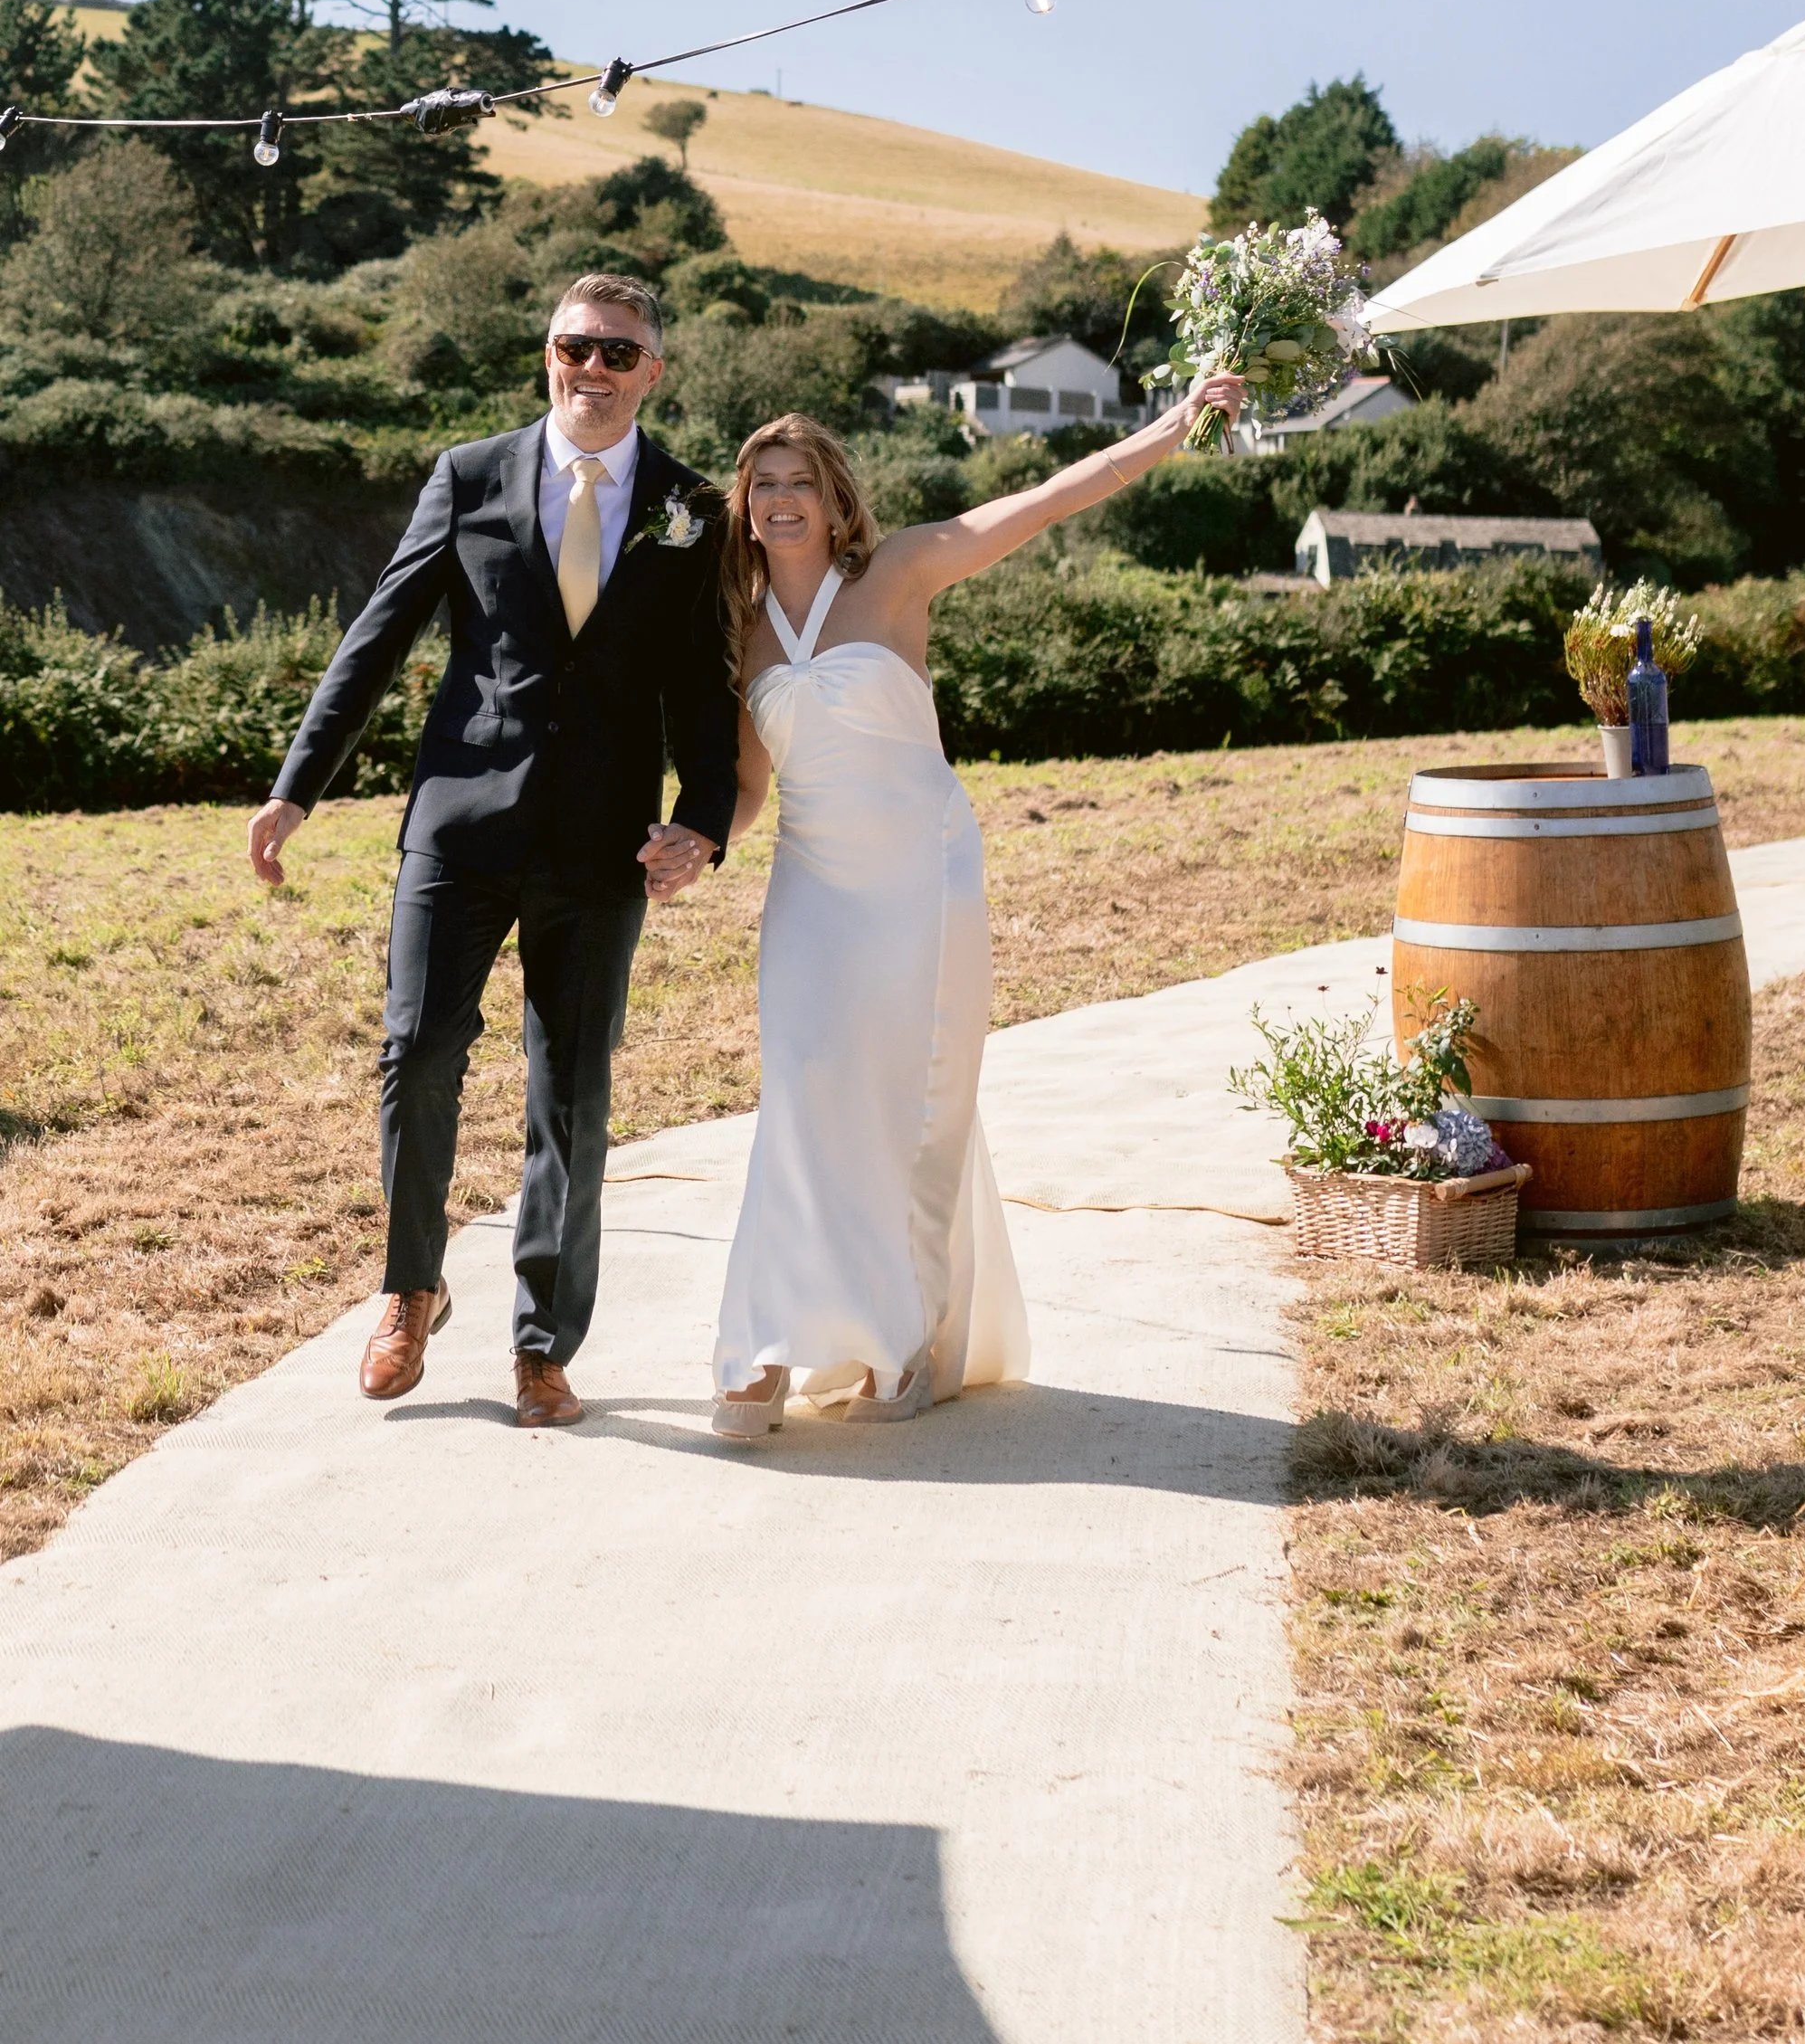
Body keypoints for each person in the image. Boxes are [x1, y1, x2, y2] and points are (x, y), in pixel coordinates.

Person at [709, 369, 1246, 1432]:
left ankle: (906, 1343)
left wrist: (1177, 423)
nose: (780, 498)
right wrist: (692, 845)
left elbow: (1051, 497)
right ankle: (769, 1345)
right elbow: (750, 788)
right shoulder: (741, 625)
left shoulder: (901, 569)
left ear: (832, 497)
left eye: (799, 480)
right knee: (804, 1091)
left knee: (917, 1099)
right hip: (811, 884)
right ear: (744, 502)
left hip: (923, 872)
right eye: (763, 481)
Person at [248, 274, 738, 1428]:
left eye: (621, 352)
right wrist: (295, 790)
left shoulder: (692, 506)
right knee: (417, 1053)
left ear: (653, 372)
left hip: (601, 844)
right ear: (548, 355)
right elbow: (378, 637)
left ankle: (542, 1344)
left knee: (571, 1095)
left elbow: (704, 688)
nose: (596, 368)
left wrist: (703, 816)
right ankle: (411, 1289)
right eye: (577, 346)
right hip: (458, 824)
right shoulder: (467, 475)